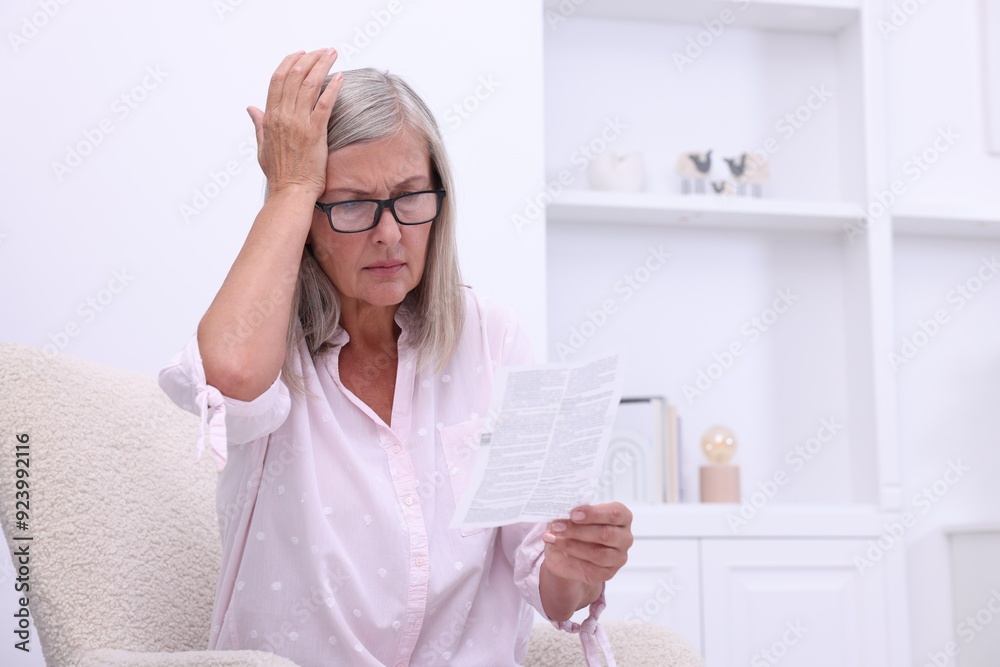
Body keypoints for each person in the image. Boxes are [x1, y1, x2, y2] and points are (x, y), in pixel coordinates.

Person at [158, 48, 633, 667]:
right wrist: (290, 187)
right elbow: (230, 377)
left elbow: (548, 581)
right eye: (351, 204)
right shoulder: (274, 352)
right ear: (306, 221)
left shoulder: (493, 336)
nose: (388, 233)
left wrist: (578, 566)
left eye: (411, 198)